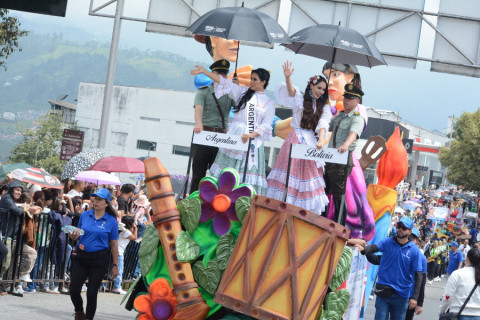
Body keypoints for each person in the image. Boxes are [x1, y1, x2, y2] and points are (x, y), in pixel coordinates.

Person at [191, 65, 275, 195]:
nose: (251, 81)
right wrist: (204, 71)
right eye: (251, 78)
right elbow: (222, 81)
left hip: (251, 140)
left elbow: (266, 125)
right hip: (235, 135)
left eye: (255, 79)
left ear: (263, 82)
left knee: (245, 174)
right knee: (226, 171)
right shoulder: (242, 92)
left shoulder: (269, 103)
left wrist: (251, 135)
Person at [266, 61, 331, 214]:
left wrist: (321, 140)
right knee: (290, 172)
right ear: (312, 86)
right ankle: (284, 206)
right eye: (319, 88)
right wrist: (288, 78)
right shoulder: (301, 99)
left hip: (311, 142)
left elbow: (323, 124)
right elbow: (291, 92)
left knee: (308, 175)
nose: (321, 92)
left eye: (323, 89)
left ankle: (301, 212)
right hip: (295, 137)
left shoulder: (324, 107)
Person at [356, 217, 423, 320]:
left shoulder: (414, 251)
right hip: (383, 293)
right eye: (399, 226)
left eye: (404, 227)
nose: (400, 229)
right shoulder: (388, 242)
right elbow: (374, 248)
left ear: (409, 231)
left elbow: (418, 276)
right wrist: (365, 249)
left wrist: (414, 298)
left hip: (401, 296)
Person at [68, 188, 119, 320]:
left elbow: (114, 245)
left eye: (100, 199)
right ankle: (79, 312)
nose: (96, 201)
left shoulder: (111, 221)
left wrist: (115, 265)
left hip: (99, 259)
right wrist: (74, 236)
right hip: (81, 257)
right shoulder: (85, 215)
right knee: (74, 290)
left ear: (106, 203)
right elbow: (79, 235)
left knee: (91, 293)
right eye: (95, 199)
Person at [190, 59, 235, 194]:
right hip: (204, 135)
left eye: (224, 73)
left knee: (218, 176)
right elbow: (198, 109)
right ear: (212, 73)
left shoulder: (229, 93)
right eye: (218, 73)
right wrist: (199, 124)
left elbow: (240, 105)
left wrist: (236, 87)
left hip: (221, 138)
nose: (221, 76)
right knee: (198, 175)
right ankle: (192, 202)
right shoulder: (203, 92)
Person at [323, 84, 365, 224]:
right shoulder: (341, 115)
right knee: (324, 189)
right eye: (345, 97)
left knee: (338, 193)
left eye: (350, 98)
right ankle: (322, 218)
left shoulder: (357, 118)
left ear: (357, 101)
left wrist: (346, 144)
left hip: (341, 158)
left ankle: (340, 223)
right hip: (329, 157)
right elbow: (327, 125)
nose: (346, 100)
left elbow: (354, 133)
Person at [439, 248, 480, 319]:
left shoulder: (457, 274)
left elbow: (447, 296)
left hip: (458, 313)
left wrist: (442, 311)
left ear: (466, 259)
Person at [112, 215, 137, 294]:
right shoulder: (126, 232)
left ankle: (116, 286)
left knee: (117, 269)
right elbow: (134, 237)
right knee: (120, 270)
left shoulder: (124, 230)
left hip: (117, 251)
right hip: (119, 252)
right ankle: (117, 287)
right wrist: (135, 228)